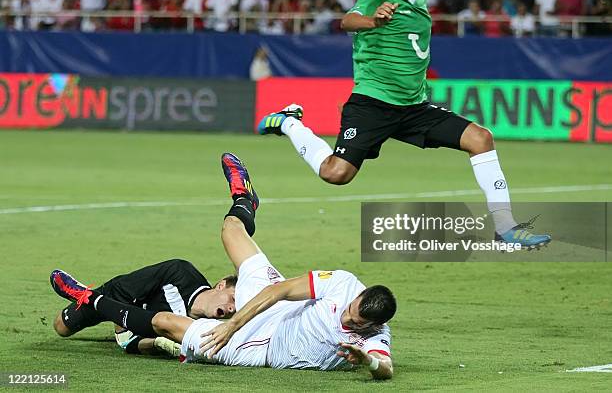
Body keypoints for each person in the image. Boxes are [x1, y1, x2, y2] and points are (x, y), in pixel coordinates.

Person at [257, 0, 551, 249]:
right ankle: (290, 122)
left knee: (481, 138)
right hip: (372, 102)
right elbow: (347, 21)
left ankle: (505, 227)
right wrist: (373, 20)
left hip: (413, 107)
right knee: (336, 173)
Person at [50, 153, 395, 379]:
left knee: (164, 323)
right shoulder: (344, 283)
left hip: (260, 347)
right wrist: (230, 325)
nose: (347, 319)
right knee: (232, 230)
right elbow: (280, 290)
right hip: (276, 310)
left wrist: (369, 362)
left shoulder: (375, 337)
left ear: (373, 325)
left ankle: (88, 298)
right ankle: (245, 197)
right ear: (358, 295)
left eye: (356, 322)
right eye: (351, 311)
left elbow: (386, 368)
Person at [51, 258, 237, 356]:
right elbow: (124, 289)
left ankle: (129, 338)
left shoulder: (207, 327)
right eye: (232, 299)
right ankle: (84, 294)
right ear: (221, 285)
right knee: (61, 326)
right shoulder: (180, 273)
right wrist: (121, 323)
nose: (231, 309)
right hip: (119, 297)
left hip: (143, 329)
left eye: (236, 309)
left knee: (159, 343)